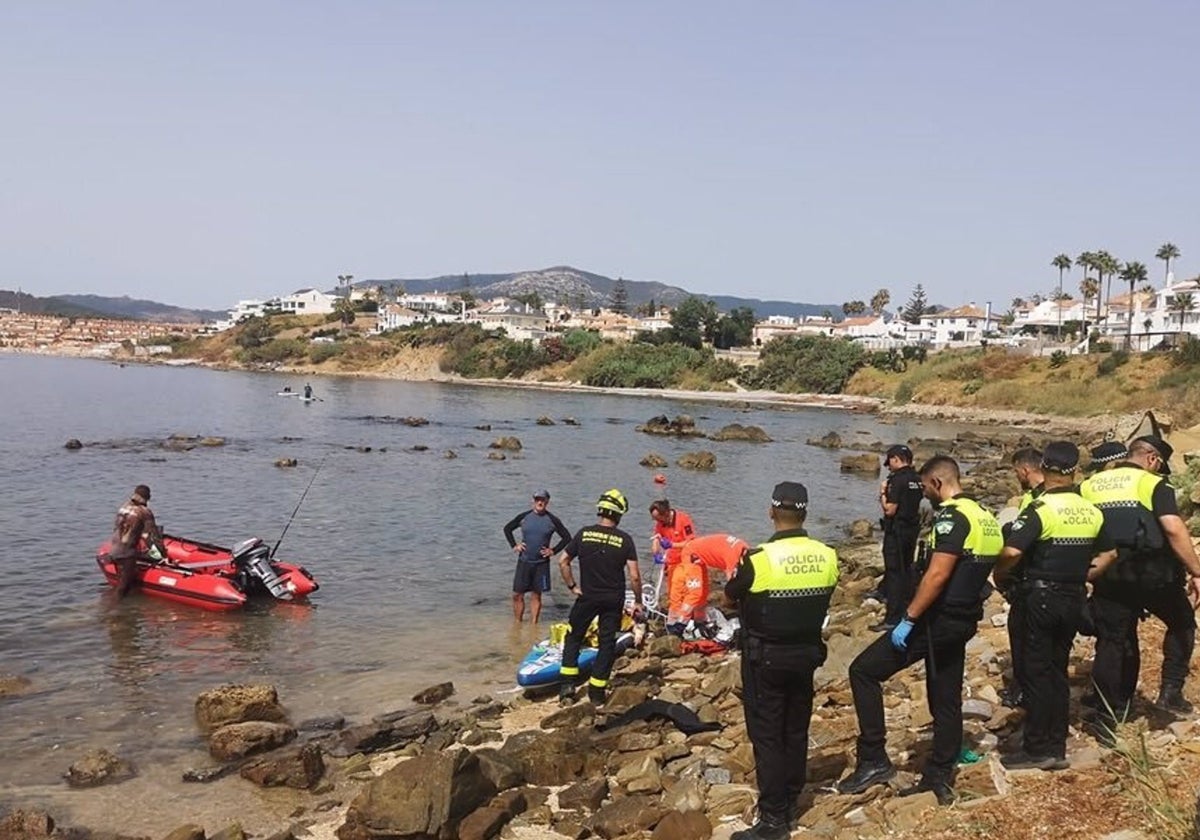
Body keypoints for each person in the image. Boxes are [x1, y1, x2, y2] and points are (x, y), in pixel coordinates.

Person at [838, 456, 1001, 805]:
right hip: (963, 620)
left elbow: (938, 574)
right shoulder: (985, 517)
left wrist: (909, 618)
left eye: (927, 487)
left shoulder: (954, 518)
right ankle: (939, 775)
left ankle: (873, 759)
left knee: (864, 671)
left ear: (938, 484)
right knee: (945, 696)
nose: (925, 494)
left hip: (935, 621)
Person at [725, 482, 838, 840]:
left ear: (771, 511)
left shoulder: (759, 559)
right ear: (804, 513)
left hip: (767, 658)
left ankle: (773, 819)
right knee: (795, 728)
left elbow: (730, 597)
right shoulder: (826, 555)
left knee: (768, 734)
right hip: (806, 655)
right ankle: (789, 800)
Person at [997, 441, 1116, 767]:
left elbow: (1011, 552)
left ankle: (1037, 749)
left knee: (1036, 671)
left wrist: (999, 574)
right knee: (1057, 671)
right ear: (1074, 469)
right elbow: (1109, 553)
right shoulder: (1091, 511)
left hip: (1040, 598)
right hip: (1073, 597)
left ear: (1045, 467)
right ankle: (1056, 745)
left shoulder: (1041, 510)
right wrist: (1084, 575)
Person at [1079, 435, 1200, 730]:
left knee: (1113, 640)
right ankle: (1170, 692)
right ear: (1152, 459)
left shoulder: (1089, 485)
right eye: (1159, 465)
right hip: (1153, 573)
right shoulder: (1154, 484)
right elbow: (1172, 528)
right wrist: (1196, 571)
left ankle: (1110, 711)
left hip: (1108, 573)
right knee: (1183, 623)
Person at [557, 489, 642, 706]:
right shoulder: (625, 540)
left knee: (574, 637)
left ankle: (567, 687)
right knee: (606, 643)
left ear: (600, 511)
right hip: (613, 600)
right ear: (619, 515)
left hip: (588, 596)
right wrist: (639, 601)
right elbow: (634, 576)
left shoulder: (584, 534)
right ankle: (596, 692)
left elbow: (562, 561)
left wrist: (572, 586)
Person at [996, 447, 1045, 708]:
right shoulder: (1058, 493)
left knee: (1023, 635)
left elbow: (1019, 546)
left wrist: (1001, 573)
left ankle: (1023, 691)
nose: (1016, 476)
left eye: (1016, 471)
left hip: (1034, 578)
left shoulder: (1038, 499)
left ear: (1025, 470)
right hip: (1050, 577)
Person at [872, 444, 925, 631]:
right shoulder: (917, 479)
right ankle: (907, 606)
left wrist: (882, 495)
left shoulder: (897, 481)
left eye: (890, 462)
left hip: (897, 532)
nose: (888, 466)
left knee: (895, 573)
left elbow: (890, 509)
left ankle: (892, 617)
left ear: (896, 459)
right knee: (907, 569)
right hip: (912, 531)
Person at [502, 489, 571, 623]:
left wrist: (554, 550)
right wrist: (514, 545)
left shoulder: (552, 520)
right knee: (517, 594)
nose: (540, 502)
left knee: (536, 595)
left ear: (547, 502)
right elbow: (507, 529)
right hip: (524, 561)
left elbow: (567, 537)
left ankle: (534, 624)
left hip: (541, 563)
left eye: (543, 500)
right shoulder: (524, 517)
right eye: (537, 499)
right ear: (533, 501)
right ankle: (518, 624)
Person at [669, 533, 751, 635]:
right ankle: (678, 624)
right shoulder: (734, 558)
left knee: (703, 592)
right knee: (695, 593)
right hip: (692, 554)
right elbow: (733, 586)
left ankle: (700, 621)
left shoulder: (743, 548)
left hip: (698, 551)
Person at [107, 484, 167, 598]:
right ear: (147, 498)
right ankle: (114, 611)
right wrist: (162, 555)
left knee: (123, 584)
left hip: (114, 550)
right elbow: (152, 536)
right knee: (123, 589)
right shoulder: (145, 512)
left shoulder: (123, 507)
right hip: (127, 554)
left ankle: (124, 611)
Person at [649, 499, 696, 620]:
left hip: (685, 561)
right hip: (671, 562)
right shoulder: (660, 523)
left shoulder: (683, 519)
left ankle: (681, 618)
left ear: (666, 514)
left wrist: (672, 545)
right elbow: (656, 538)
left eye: (658, 519)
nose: (657, 522)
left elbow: (691, 543)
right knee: (672, 592)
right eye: (655, 520)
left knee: (682, 592)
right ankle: (677, 617)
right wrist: (655, 553)